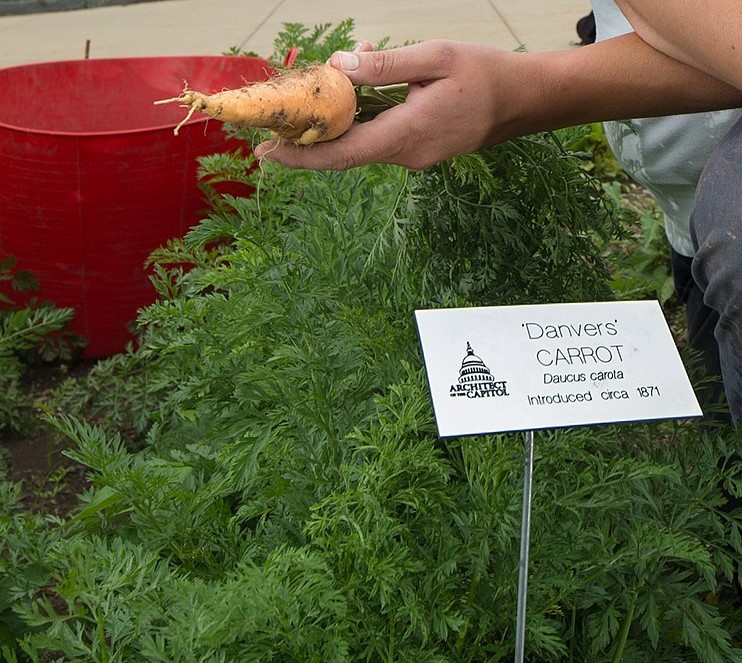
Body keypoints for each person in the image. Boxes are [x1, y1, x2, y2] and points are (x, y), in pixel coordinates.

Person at [254, 0, 742, 423]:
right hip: (685, 215)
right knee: (715, 428)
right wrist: (512, 89)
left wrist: (520, 91)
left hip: (727, 241)